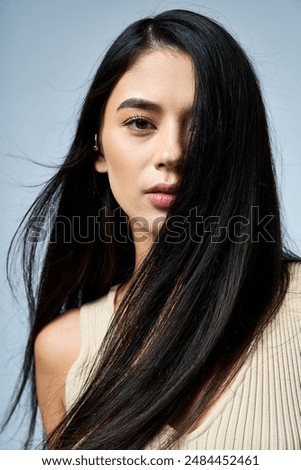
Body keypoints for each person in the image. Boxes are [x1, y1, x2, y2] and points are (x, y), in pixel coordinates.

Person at [4, 9, 300, 450]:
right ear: (98, 148)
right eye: (140, 123)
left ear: (240, 148)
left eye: (205, 126)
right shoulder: (62, 351)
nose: (173, 152)